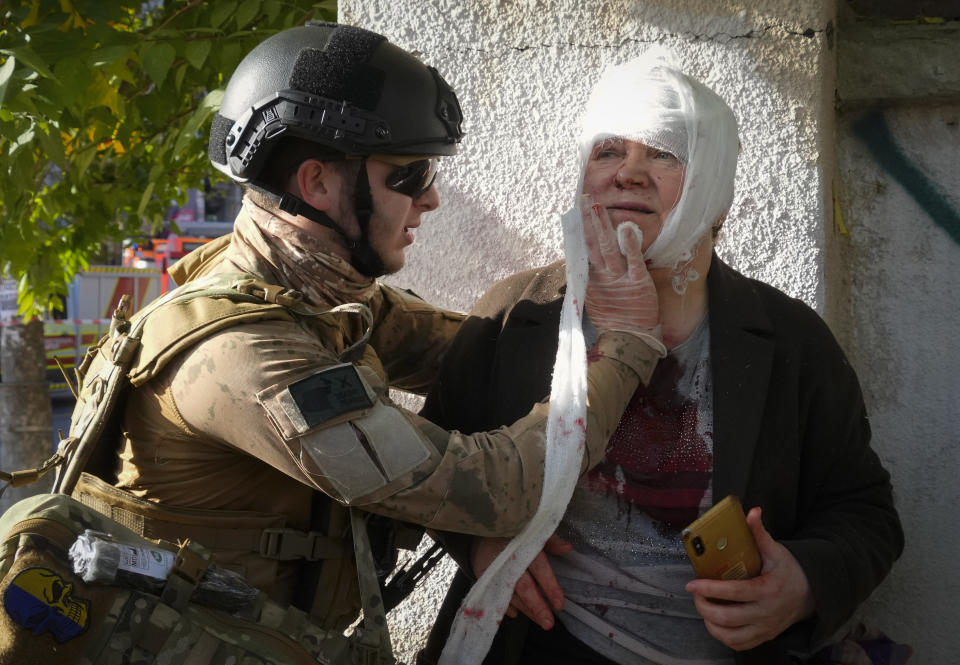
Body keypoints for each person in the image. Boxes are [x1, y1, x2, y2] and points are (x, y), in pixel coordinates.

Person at [62, 22, 665, 638]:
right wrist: (628, 347)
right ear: (317, 184)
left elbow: (481, 352)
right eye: (409, 176)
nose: (430, 201)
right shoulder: (251, 361)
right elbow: (501, 485)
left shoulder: (308, 291)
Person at [417, 55, 903, 665]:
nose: (629, 174)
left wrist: (802, 584)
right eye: (607, 151)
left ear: (714, 188)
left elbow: (865, 512)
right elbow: (430, 468)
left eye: (665, 155)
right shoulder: (515, 317)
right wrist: (481, 542)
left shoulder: (791, 341)